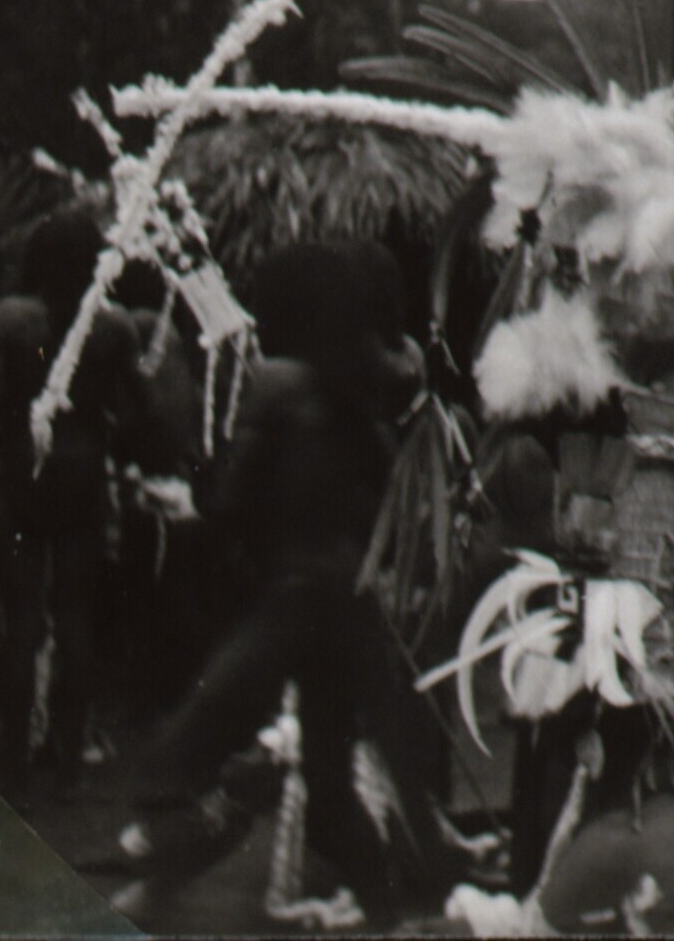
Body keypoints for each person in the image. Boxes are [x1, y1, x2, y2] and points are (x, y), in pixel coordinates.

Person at [113, 241, 451, 927]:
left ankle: (160, 877)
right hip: (350, 609)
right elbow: (384, 510)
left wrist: (194, 489)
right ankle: (389, 918)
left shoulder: (275, 386)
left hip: (292, 606)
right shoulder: (365, 399)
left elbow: (230, 504)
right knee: (330, 793)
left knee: (176, 760)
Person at [0, 210, 148, 804]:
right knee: (75, 620)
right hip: (83, 476)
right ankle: (69, 766)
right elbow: (141, 410)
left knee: (22, 621)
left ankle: (14, 765)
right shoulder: (114, 327)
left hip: (24, 473)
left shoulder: (11, 320)